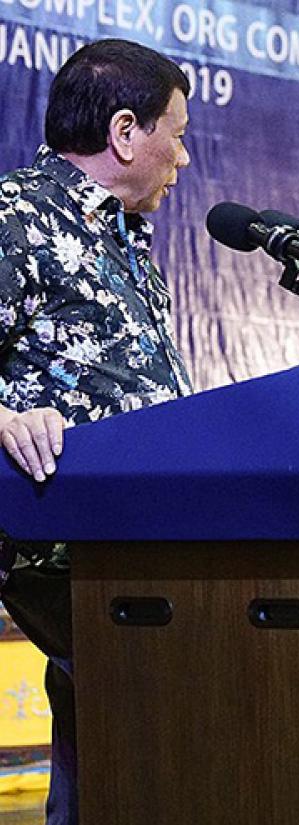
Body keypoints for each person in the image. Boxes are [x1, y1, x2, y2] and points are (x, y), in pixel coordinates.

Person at [0, 39, 193, 825]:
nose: (183, 156)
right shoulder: (16, 216)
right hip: (61, 555)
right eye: (175, 133)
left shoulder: (128, 244)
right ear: (124, 132)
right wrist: (6, 418)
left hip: (134, 551)